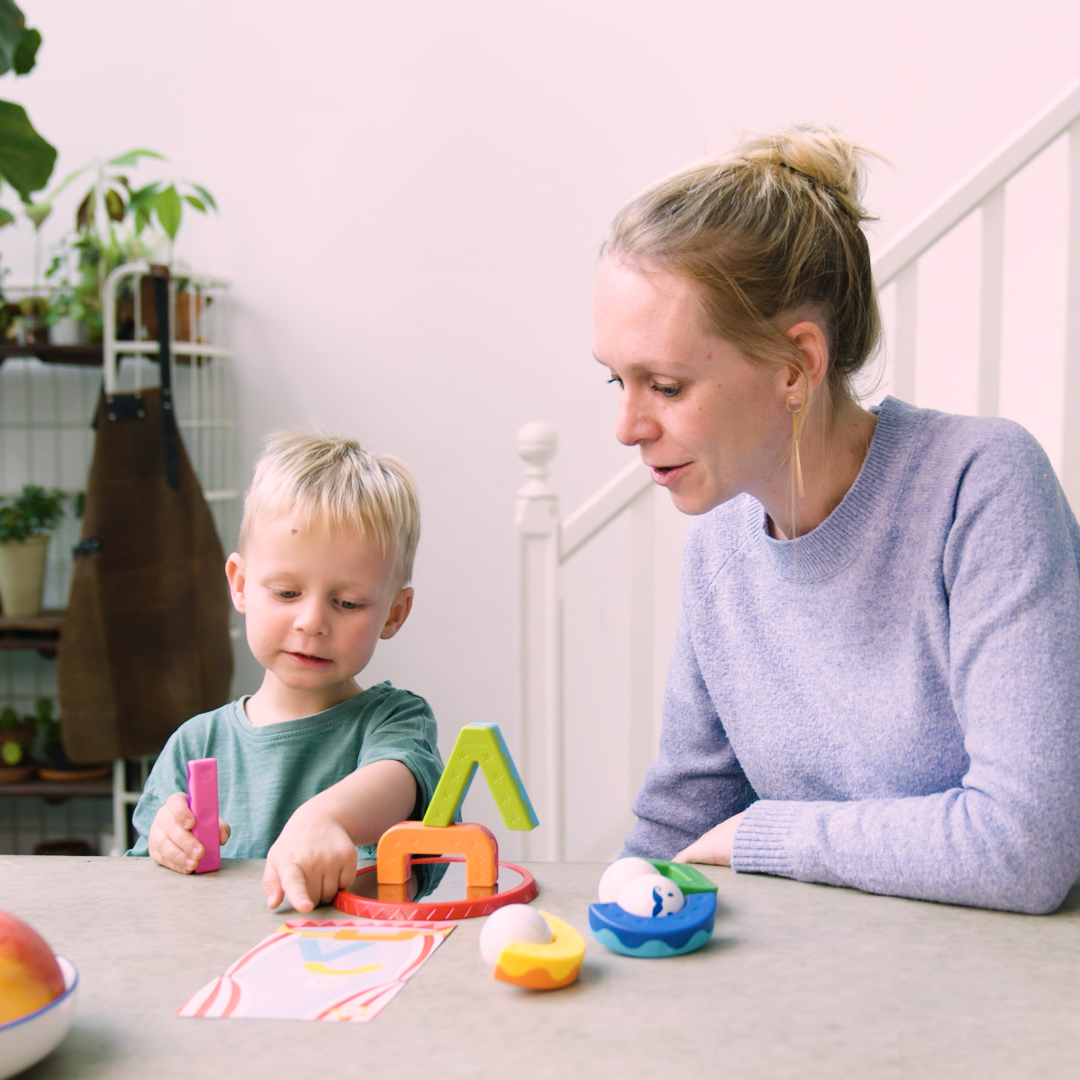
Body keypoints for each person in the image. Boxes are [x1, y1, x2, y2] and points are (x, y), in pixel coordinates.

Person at [594, 125, 1080, 914]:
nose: (627, 426)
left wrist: (763, 833)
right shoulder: (719, 543)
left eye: (667, 385)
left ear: (796, 368)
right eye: (615, 380)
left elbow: (1023, 847)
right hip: (825, 990)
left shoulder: (981, 485)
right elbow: (681, 822)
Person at [128, 431, 444, 913]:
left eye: (347, 603)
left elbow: (399, 777)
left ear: (394, 613)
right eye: (286, 593)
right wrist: (163, 844)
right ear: (240, 585)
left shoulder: (396, 722)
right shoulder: (195, 744)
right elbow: (143, 884)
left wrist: (324, 818)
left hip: (356, 974)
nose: (312, 622)